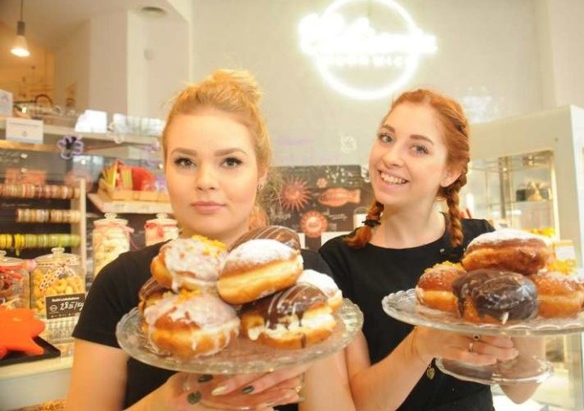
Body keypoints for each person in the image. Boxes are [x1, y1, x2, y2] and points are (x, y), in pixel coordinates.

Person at [66, 69, 355, 411]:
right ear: (165, 170)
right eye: (185, 161)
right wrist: (169, 402)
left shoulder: (303, 275)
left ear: (261, 172)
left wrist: (308, 347)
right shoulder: (121, 282)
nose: (205, 180)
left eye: (230, 161)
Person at [319, 88, 545, 410]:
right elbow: (359, 405)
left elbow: (520, 391)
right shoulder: (337, 261)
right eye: (386, 137)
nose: (391, 157)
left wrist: (530, 304)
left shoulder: (481, 247)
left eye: (419, 148)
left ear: (450, 171)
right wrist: (420, 345)